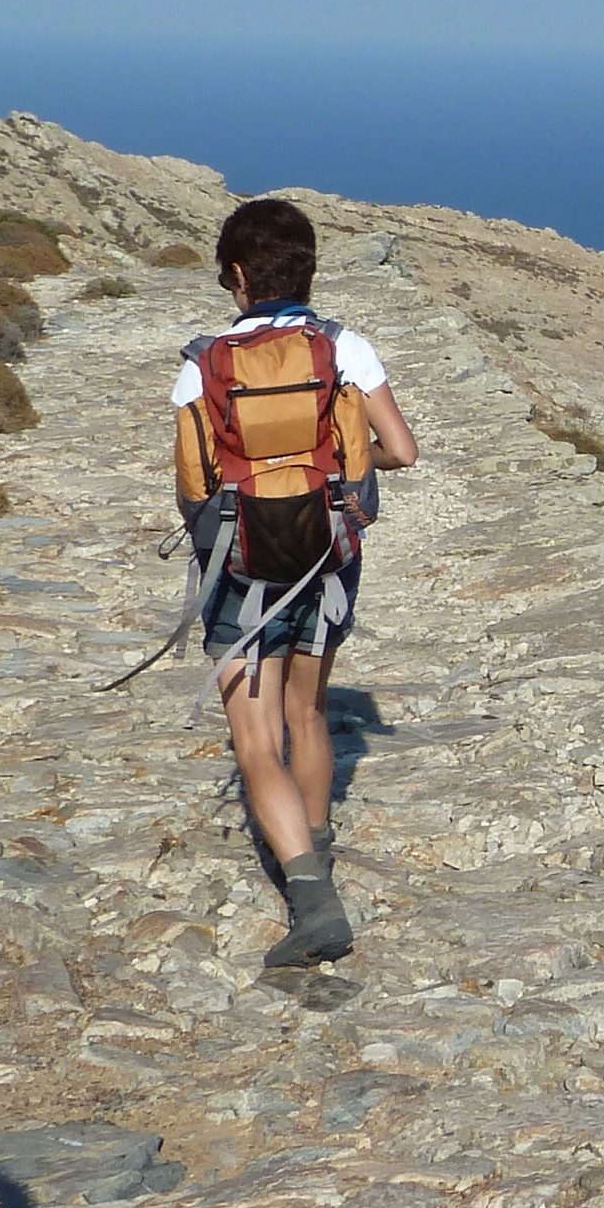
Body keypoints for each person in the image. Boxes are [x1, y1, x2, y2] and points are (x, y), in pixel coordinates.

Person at [173, 199, 418, 967]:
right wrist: (329, 472)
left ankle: (311, 900)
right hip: (327, 556)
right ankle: (319, 856)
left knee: (256, 737)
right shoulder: (344, 348)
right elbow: (402, 451)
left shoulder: (203, 362)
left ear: (238, 276)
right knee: (308, 716)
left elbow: (191, 482)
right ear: (308, 269)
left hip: (239, 567)